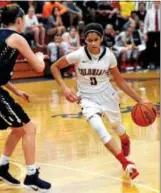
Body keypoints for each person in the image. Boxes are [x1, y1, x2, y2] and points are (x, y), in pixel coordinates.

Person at [51, 23, 145, 180]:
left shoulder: (109, 55)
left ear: (101, 39)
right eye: (89, 40)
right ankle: (125, 163)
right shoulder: (78, 55)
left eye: (96, 39)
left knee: (117, 127)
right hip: (87, 98)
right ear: (84, 40)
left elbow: (120, 82)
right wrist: (65, 88)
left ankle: (124, 137)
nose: (93, 43)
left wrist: (140, 100)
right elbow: (54, 67)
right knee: (99, 128)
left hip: (107, 95)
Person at [0, 4, 51, 191]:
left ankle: (2, 168)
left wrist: (16, 91)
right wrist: (40, 56)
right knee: (29, 129)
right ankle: (32, 176)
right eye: (23, 20)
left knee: (19, 130)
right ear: (19, 21)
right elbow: (39, 68)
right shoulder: (16, 37)